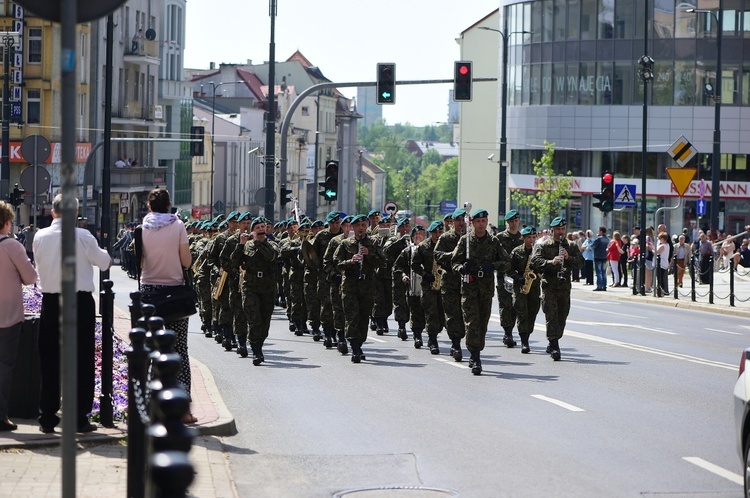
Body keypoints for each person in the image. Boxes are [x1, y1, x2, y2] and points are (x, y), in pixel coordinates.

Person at [33, 194, 112, 433]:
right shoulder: (82, 236)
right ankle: (79, 417)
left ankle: (47, 417)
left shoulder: (40, 236)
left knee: (49, 360)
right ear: (75, 213)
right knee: (82, 359)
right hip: (79, 301)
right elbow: (105, 262)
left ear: (53, 212)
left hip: (51, 301)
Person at [137, 188, 194, 423]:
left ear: (149, 206)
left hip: (149, 294)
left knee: (150, 348)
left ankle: (150, 404)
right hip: (175, 294)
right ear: (169, 205)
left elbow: (140, 264)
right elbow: (186, 261)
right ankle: (184, 409)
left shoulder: (142, 228)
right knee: (179, 349)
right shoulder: (178, 225)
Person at [451, 209, 510, 375]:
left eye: (484, 221)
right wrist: (462, 268)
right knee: (472, 323)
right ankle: (475, 356)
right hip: (469, 289)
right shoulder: (466, 241)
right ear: (473, 223)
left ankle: (476, 351)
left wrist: (494, 266)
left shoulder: (493, 241)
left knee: (482, 323)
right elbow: (454, 262)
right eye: (478, 221)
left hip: (485, 289)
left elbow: (506, 261)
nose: (481, 224)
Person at [0, 201, 38, 431]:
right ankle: (0, 415)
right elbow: (31, 278)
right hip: (7, 316)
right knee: (4, 366)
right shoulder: (11, 246)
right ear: (6, 222)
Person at [333, 214, 386, 363]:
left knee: (363, 318)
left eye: (363, 225)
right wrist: (351, 261)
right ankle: (355, 348)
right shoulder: (345, 244)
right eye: (358, 226)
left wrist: (369, 256)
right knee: (352, 317)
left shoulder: (373, 243)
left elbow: (382, 262)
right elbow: (336, 263)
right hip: (349, 286)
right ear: (353, 228)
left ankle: (359, 344)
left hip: (367, 286)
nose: (361, 228)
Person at [530, 217, 584, 361]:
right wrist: (551, 262)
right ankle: (554, 345)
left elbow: (580, 262)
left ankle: (553, 340)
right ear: (552, 230)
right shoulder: (545, 245)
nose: (560, 232)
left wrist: (568, 258)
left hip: (564, 287)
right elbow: (535, 262)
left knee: (562, 316)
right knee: (551, 316)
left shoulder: (571, 245)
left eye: (562, 229)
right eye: (558, 229)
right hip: (549, 286)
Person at [237, 217, 280, 365]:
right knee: (254, 319)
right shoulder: (246, 245)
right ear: (253, 230)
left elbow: (271, 256)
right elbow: (235, 262)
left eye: (264, 227)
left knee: (264, 321)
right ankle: (256, 351)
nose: (262, 229)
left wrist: (258, 242)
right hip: (250, 286)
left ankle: (259, 345)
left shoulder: (272, 244)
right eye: (259, 227)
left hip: (267, 287)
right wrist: (239, 246)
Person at [412, 220, 446, 355]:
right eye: (436, 232)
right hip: (428, 285)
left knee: (442, 314)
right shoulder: (423, 246)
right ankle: (433, 340)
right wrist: (425, 274)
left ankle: (435, 333)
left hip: (444, 284)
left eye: (440, 232)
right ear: (431, 233)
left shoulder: (445, 244)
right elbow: (414, 265)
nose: (438, 235)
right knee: (431, 313)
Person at [507, 226, 541, 354]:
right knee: (522, 313)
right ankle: (524, 341)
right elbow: (508, 268)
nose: (531, 240)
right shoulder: (516, 252)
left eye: (533, 237)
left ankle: (528, 334)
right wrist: (517, 277)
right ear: (523, 238)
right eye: (528, 237)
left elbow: (543, 266)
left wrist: (538, 270)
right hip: (520, 286)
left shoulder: (538, 251)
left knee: (532, 312)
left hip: (534, 286)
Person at [495, 210, 523, 348]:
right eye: (511, 221)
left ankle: (513, 331)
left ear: (519, 221)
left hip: (519, 277)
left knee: (516, 306)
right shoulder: (499, 238)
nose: (513, 224)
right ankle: (508, 333)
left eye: (515, 221)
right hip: (504, 277)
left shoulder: (523, 238)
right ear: (507, 222)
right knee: (505, 305)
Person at [591, 226, 610, 291]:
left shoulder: (598, 239)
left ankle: (599, 286)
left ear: (601, 231)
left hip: (598, 256)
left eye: (599, 231)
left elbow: (593, 246)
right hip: (605, 256)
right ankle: (604, 286)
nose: (598, 232)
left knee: (599, 272)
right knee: (603, 272)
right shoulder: (608, 239)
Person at [655, 232, 671, 296]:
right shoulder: (667, 245)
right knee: (661, 277)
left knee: (660, 277)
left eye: (660, 238)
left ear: (663, 238)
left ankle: (661, 291)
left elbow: (657, 252)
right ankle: (661, 290)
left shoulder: (663, 246)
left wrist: (652, 247)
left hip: (661, 263)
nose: (659, 240)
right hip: (664, 263)